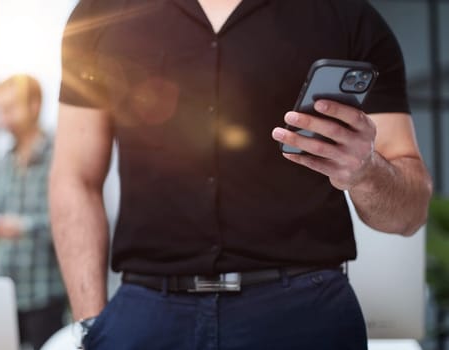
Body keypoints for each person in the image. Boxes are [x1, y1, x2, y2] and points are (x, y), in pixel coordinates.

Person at [50, 1, 433, 349]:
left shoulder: (347, 17)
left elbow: (409, 213)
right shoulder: (100, 14)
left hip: (303, 317)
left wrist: (365, 170)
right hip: (145, 316)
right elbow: (75, 177)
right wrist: (90, 321)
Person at [0, 74, 66, 349]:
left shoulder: (60, 154)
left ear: (34, 106)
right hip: (5, 293)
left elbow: (72, 221)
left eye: (10, 108)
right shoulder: (3, 161)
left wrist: (22, 227)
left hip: (45, 295)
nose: (2, 117)